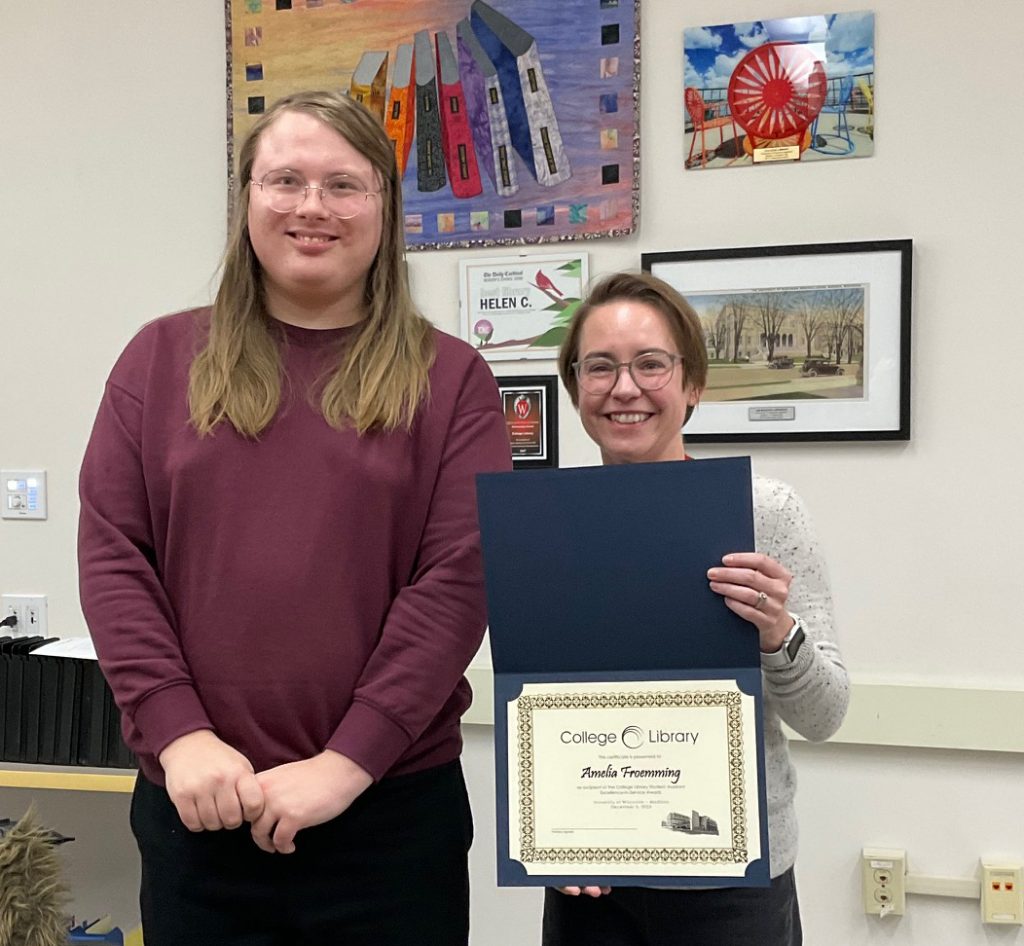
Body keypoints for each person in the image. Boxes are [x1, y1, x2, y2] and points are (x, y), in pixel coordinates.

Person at [78, 90, 511, 946]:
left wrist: (349, 761)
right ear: (247, 199)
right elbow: (114, 558)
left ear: (385, 211)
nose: (312, 207)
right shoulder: (158, 360)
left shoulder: (451, 378)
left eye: (344, 185)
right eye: (285, 179)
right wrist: (180, 737)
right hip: (198, 812)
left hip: (388, 819)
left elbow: (458, 580)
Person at [543, 271, 850, 946]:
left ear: (692, 385)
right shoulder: (546, 527)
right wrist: (547, 829)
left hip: (734, 887)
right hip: (592, 876)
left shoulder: (761, 511)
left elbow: (826, 715)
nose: (625, 388)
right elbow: (532, 700)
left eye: (651, 364)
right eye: (600, 367)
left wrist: (778, 633)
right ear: (576, 389)